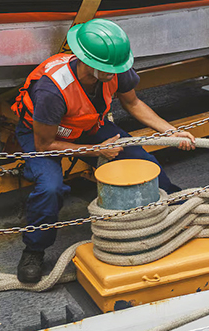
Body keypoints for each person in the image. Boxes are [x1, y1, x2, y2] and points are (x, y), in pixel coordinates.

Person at [11, 19, 196, 283]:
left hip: (87, 125)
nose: (113, 74)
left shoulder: (115, 67)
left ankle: (179, 208)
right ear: (84, 60)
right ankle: (34, 250)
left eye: (116, 69)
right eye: (107, 69)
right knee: (49, 188)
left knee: (143, 160)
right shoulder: (53, 90)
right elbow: (44, 145)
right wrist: (96, 150)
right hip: (44, 136)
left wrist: (170, 131)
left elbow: (133, 103)